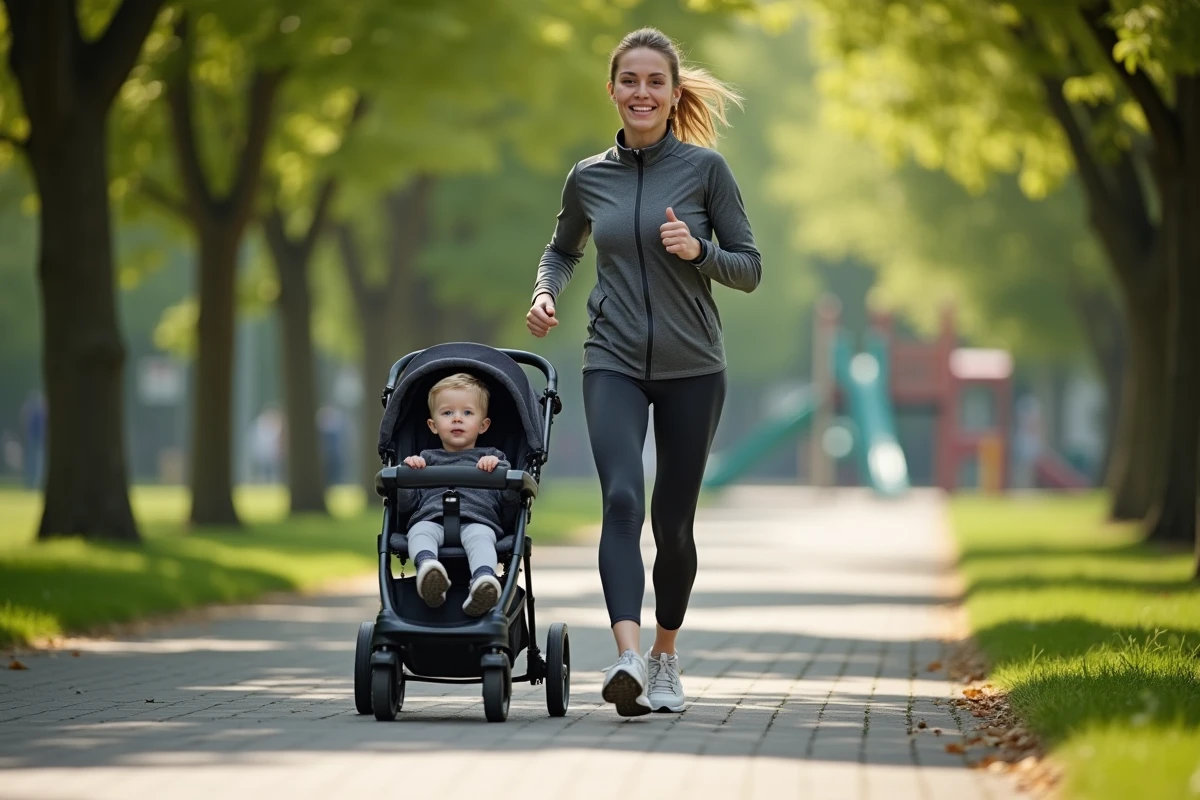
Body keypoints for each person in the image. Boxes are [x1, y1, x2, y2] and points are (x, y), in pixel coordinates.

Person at [526, 28, 761, 716]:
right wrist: (546, 292)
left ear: (673, 93)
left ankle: (664, 658)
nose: (642, 93)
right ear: (612, 90)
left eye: (655, 81)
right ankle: (626, 656)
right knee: (623, 500)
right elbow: (561, 249)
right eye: (630, 80)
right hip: (613, 360)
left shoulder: (705, 172)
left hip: (694, 367)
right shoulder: (587, 175)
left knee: (674, 521)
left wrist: (699, 252)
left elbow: (749, 267)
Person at [397, 373, 519, 617]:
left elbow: (510, 505)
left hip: (478, 520)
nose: (457, 419)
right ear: (432, 425)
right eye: (447, 413)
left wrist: (499, 471)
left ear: (483, 425)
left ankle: (483, 581)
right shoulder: (425, 460)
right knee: (418, 532)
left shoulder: (493, 458)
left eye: (467, 413)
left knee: (481, 539)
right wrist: (407, 476)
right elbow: (406, 507)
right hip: (431, 519)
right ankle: (429, 570)